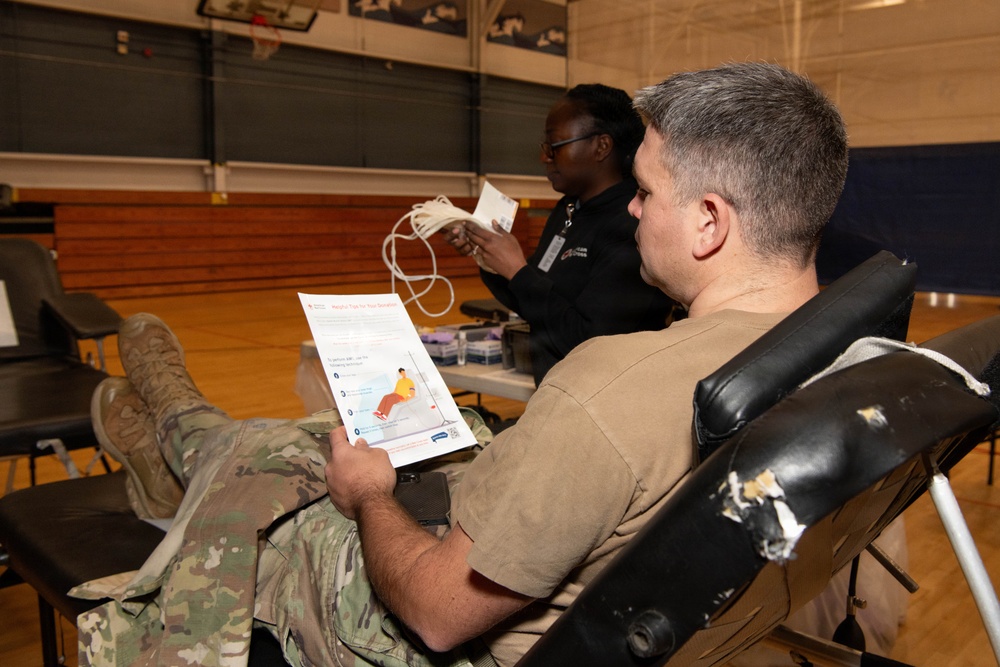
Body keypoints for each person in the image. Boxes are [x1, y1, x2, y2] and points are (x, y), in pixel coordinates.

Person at [76, 62, 849, 667]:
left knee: (263, 460)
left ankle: (173, 429)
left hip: (443, 629)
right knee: (308, 435)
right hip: (632, 595)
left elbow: (438, 614)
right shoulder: (846, 352)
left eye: (647, 192)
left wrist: (371, 500)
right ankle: (175, 431)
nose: (636, 209)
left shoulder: (608, 386)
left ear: (711, 221)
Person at [444, 83, 677, 385]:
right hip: (556, 393)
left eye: (554, 145)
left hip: (604, 404)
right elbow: (534, 301)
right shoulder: (568, 208)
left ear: (601, 147)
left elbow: (588, 341)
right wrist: (487, 255)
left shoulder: (633, 223)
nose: (545, 157)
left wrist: (517, 270)